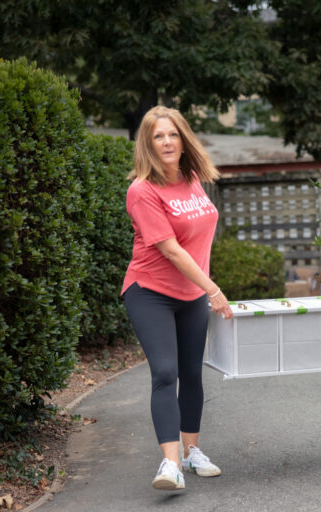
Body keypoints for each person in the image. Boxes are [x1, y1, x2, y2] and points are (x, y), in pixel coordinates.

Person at [121, 106, 234, 491]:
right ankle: (170, 465)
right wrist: (213, 289)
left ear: (183, 139)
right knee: (166, 373)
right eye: (158, 136)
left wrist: (202, 288)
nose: (167, 142)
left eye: (173, 134)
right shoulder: (142, 190)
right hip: (149, 292)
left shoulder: (192, 179)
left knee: (192, 373)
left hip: (191, 294)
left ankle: (192, 451)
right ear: (147, 144)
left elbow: (199, 238)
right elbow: (171, 250)